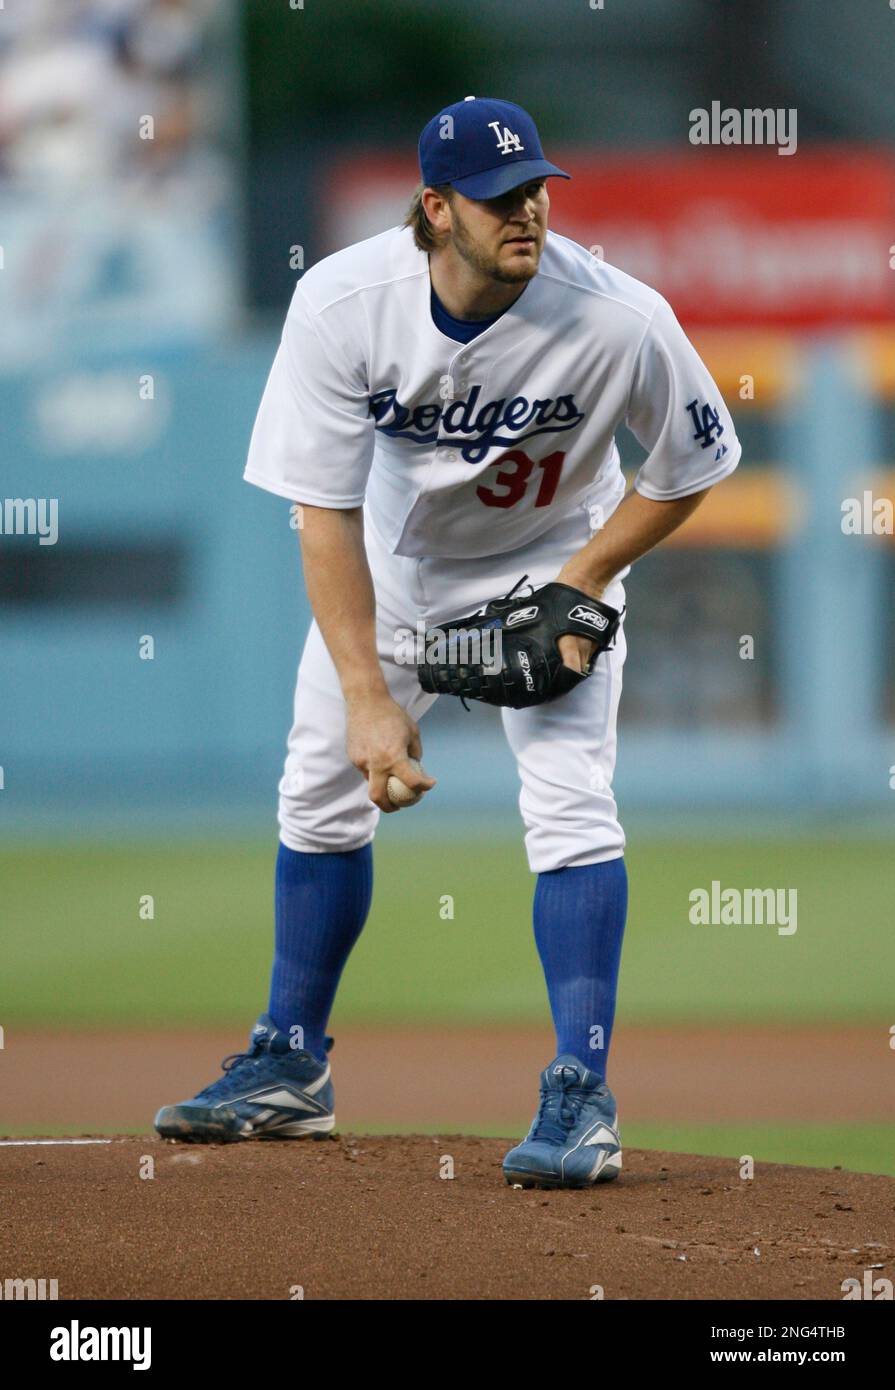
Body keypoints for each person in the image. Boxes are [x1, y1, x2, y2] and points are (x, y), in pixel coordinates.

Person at [155, 97, 741, 1188]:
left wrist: (583, 578)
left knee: (570, 802)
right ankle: (289, 1066)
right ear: (436, 208)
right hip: (393, 567)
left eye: (537, 190)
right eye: (499, 197)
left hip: (548, 565)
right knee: (317, 793)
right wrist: (368, 689)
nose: (529, 211)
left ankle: (581, 1091)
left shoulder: (619, 315)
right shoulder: (344, 303)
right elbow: (321, 509)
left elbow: (695, 465)